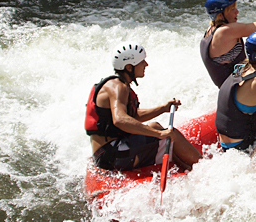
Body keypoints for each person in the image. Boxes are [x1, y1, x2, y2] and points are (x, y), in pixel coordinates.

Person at [85, 43, 202, 171]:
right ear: (129, 67)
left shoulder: (117, 85)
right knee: (169, 134)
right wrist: (159, 134)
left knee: (155, 126)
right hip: (112, 155)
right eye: (142, 62)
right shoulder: (118, 87)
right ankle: (203, 167)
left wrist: (163, 108)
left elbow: (133, 117)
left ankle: (186, 168)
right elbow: (120, 120)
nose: (146, 64)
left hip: (107, 153)